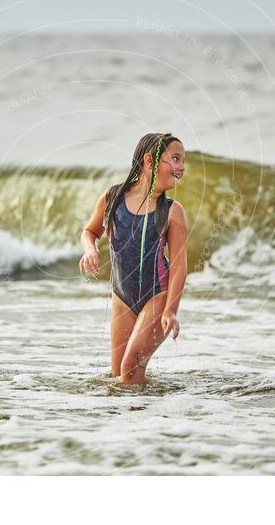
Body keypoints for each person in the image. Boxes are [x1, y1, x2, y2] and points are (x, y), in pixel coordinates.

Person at [79, 133, 188, 385]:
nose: (182, 167)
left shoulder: (172, 211)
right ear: (149, 161)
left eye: (183, 160)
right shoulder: (112, 198)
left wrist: (171, 310)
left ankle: (150, 419)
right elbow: (89, 231)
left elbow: (180, 266)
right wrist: (90, 249)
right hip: (122, 297)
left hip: (157, 296)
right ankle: (137, 421)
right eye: (175, 159)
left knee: (130, 369)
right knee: (120, 377)